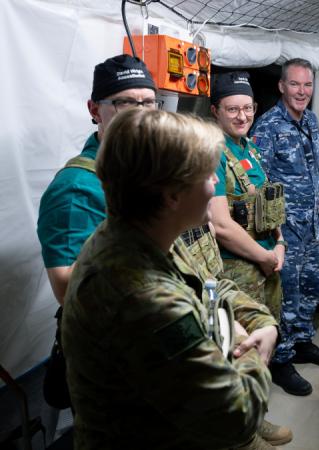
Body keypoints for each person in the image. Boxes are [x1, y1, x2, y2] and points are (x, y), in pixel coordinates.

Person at [61, 109, 270, 449]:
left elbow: (211, 285)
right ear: (172, 195)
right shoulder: (143, 297)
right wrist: (250, 350)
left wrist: (260, 320)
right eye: (207, 175)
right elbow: (237, 417)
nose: (216, 182)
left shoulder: (142, 235)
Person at [206, 71, 293, 445]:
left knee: (264, 346)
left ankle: (259, 416)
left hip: (265, 261)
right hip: (239, 269)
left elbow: (268, 204)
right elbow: (221, 224)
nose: (241, 117)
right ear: (215, 112)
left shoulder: (251, 149)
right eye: (232, 110)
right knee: (240, 354)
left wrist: (280, 245)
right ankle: (245, 430)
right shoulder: (213, 154)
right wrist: (263, 256)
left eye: (247, 108)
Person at [37, 54, 158, 304]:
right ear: (95, 110)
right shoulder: (76, 187)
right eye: (124, 103)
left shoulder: (152, 167)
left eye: (148, 103)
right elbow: (67, 288)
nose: (140, 113)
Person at [251, 58, 319, 396]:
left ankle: (303, 340)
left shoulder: (311, 120)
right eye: (295, 84)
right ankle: (281, 357)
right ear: (281, 86)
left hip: (311, 224)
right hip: (285, 228)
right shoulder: (268, 126)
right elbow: (258, 184)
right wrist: (274, 235)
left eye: (307, 85)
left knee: (310, 287)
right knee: (285, 292)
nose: (302, 91)